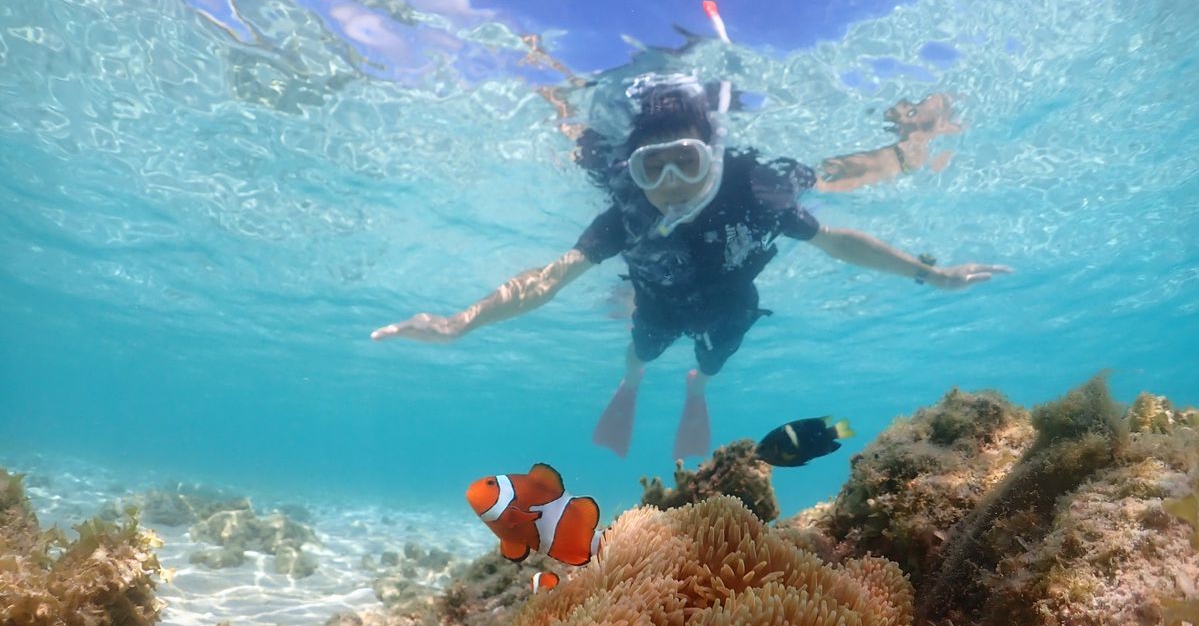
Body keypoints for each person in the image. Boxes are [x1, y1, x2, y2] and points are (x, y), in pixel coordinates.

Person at [372, 76, 1010, 460]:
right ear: (633, 171)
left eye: (688, 161)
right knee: (642, 349)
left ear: (714, 156)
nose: (672, 181)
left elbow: (839, 242)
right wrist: (460, 323)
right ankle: (633, 381)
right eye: (653, 168)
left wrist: (933, 273)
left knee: (713, 361)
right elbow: (549, 279)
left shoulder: (757, 192)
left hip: (731, 305)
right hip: (655, 304)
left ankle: (697, 387)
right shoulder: (626, 215)